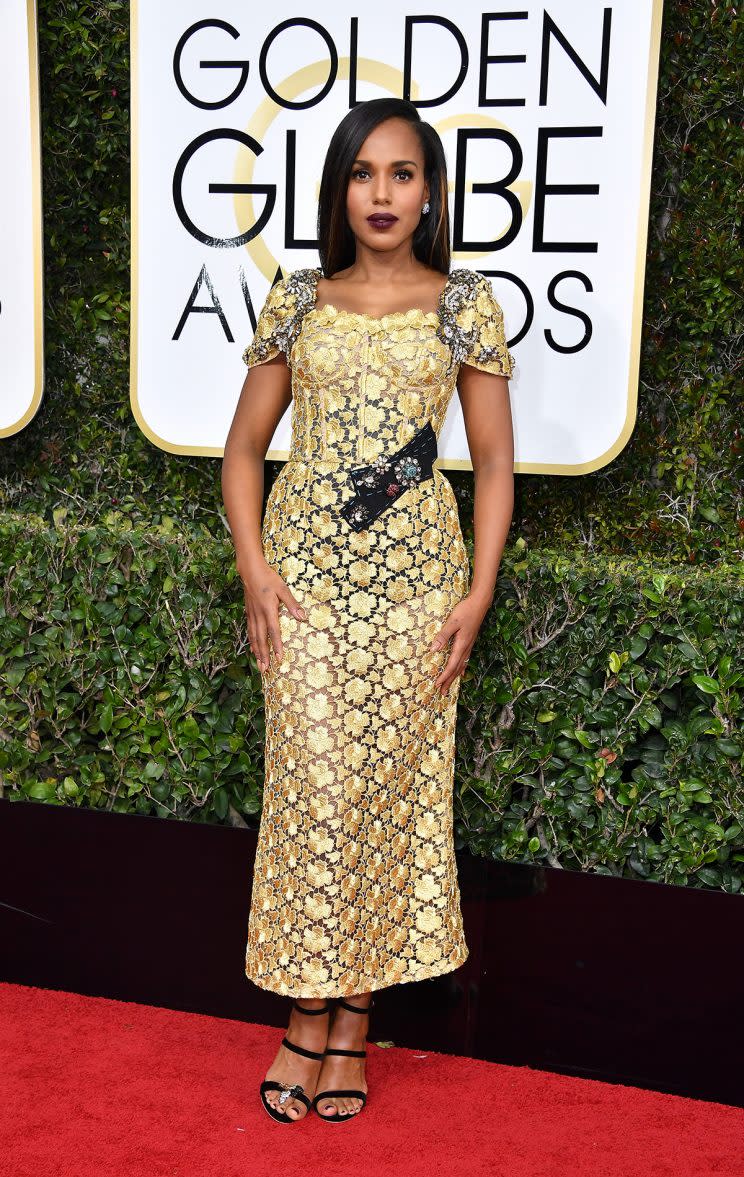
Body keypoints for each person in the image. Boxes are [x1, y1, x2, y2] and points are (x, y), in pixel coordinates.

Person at [221, 96, 516, 1125]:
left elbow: (491, 463)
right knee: (311, 794)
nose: (382, 193)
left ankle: (352, 1019)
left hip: (416, 593)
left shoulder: (464, 303)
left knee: (389, 795)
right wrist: (256, 571)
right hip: (301, 590)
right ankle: (304, 1009)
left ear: (429, 190)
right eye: (363, 173)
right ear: (337, 189)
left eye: (401, 173)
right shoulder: (298, 299)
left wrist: (476, 593)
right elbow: (244, 450)